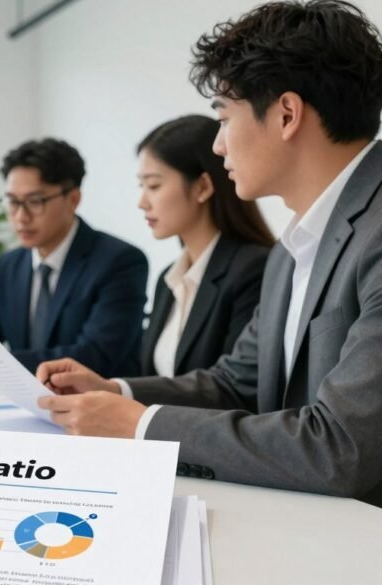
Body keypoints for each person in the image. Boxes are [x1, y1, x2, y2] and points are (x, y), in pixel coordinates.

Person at [36, 0, 382, 506]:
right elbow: (235, 383)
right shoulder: (291, 249)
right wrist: (119, 394)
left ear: (286, 114)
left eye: (223, 118)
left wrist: (142, 425)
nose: (218, 147)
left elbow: (341, 449)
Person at [0, 138, 148, 387]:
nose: (21, 217)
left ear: (73, 199)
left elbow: (96, 355)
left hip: (94, 403)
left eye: (35, 202)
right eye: (13, 202)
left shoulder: (119, 261)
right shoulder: (10, 265)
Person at [137, 115, 274, 377]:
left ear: (202, 187)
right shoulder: (168, 279)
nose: (142, 202)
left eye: (153, 185)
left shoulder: (253, 270)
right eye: (140, 185)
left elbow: (235, 386)